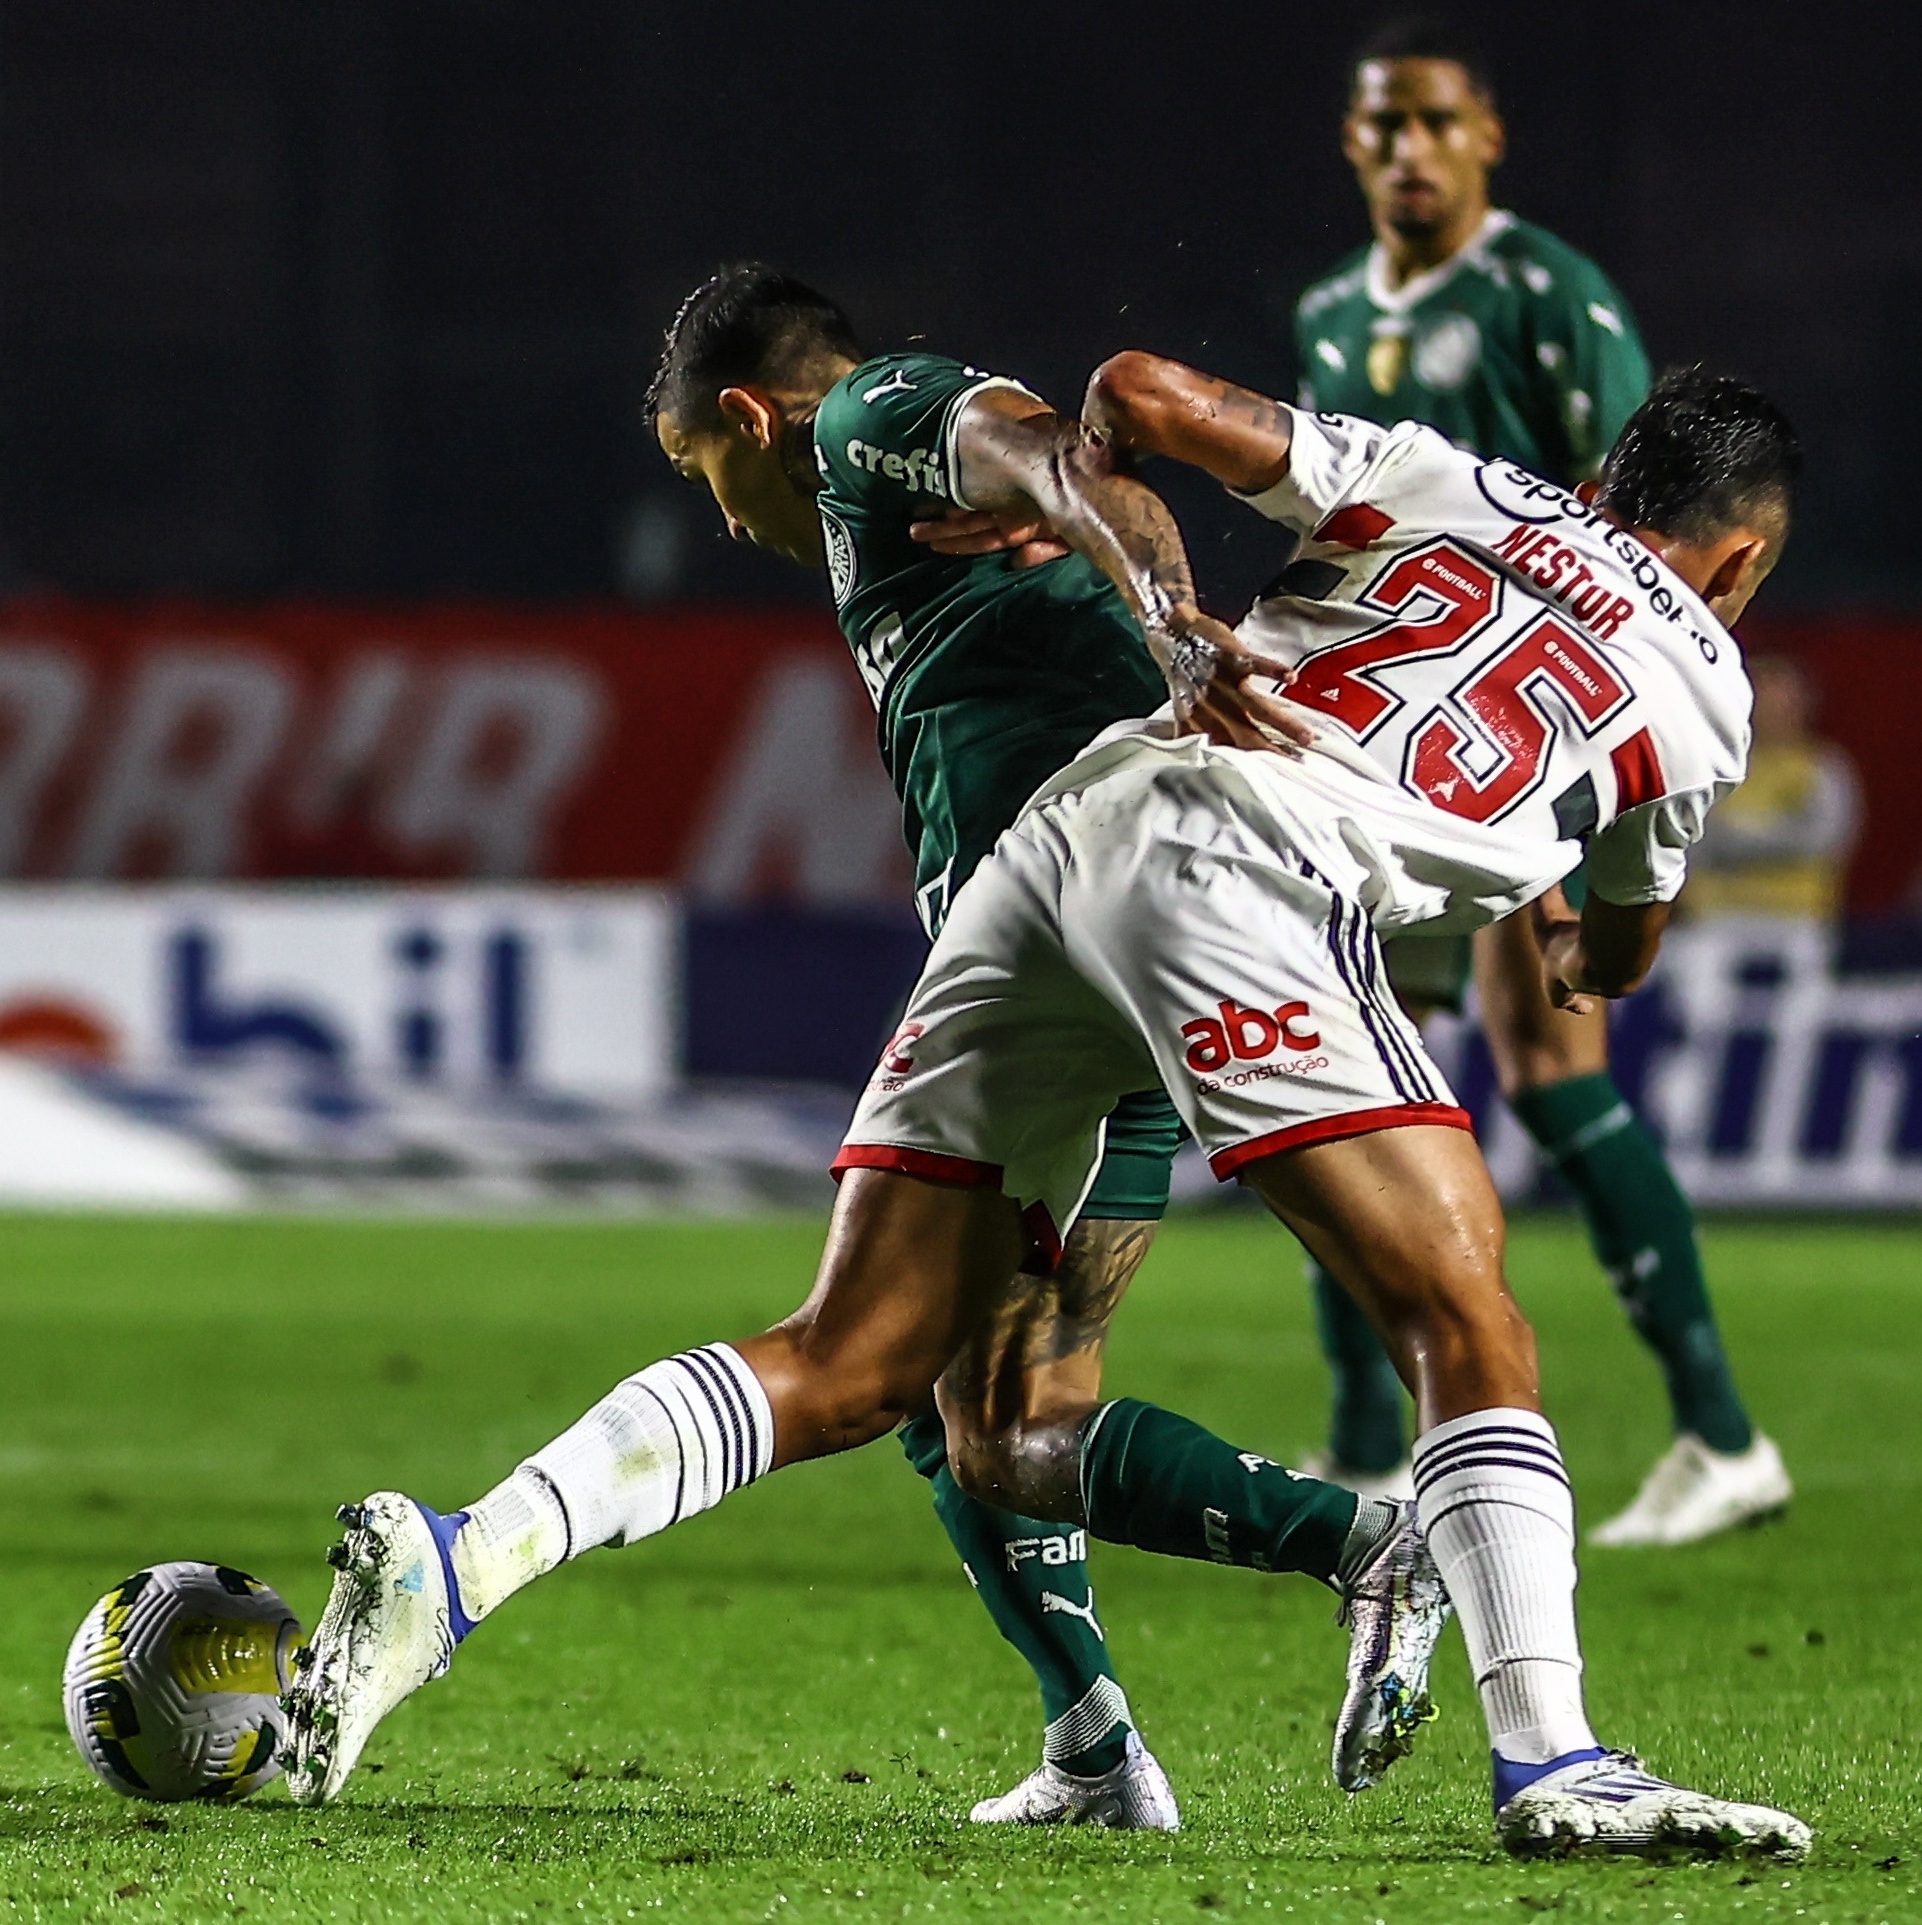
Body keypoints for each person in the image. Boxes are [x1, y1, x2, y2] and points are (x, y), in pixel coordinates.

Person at [283, 337, 1811, 1859]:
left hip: (1073, 831)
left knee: (857, 1359)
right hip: (1256, 875)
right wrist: (1573, 945)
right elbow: (1621, 932)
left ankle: (465, 1558)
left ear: (1602, 477)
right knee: (1461, 1316)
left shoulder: (1452, 480)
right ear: (1736, 559)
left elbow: (1138, 389)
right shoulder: (1705, 689)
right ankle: (1554, 1759)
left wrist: (1124, 533)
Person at [1281, 16, 1789, 1545]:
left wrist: (1573, 800)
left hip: (1515, 757)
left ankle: (1714, 1431)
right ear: (1351, 142)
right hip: (1386, 753)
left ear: (1485, 136)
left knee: (1548, 1067)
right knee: (1346, 1065)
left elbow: (1638, 524)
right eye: (1381, 126)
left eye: (1434, 121)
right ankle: (1369, 1439)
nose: (1406, 150)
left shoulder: (1545, 296)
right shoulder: (1323, 310)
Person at [1682, 653, 1860, 921]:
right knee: (1687, 956)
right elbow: (1694, 837)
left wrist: (1743, 836)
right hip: (1721, 911)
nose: (1771, 706)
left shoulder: (1824, 768)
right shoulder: (1717, 766)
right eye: (1762, 694)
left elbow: (1823, 840)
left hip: (1797, 913)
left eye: (1780, 696)